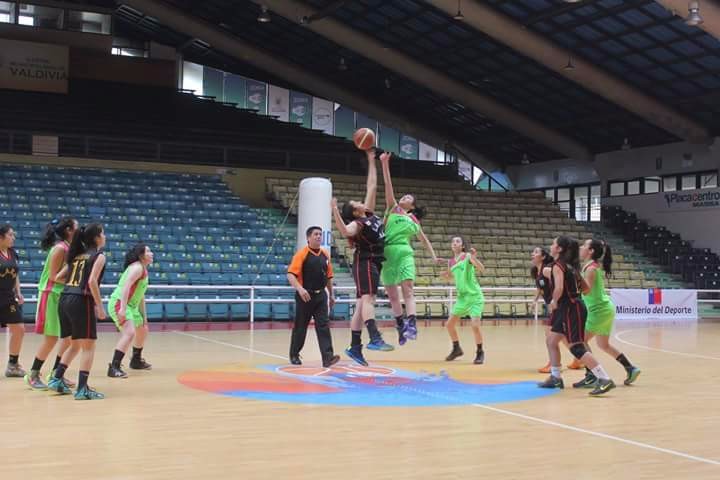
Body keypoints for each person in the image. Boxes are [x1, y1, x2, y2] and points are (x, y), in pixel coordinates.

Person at [332, 149, 393, 366]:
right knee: (368, 299)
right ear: (355, 211)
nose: (360, 201)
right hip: (365, 261)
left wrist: (371, 160)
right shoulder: (357, 224)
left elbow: (372, 185)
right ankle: (374, 338)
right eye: (356, 203)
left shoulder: (368, 215)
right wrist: (335, 211)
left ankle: (355, 346)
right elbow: (346, 232)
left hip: (374, 261)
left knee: (360, 303)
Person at [538, 236, 615, 396]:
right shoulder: (570, 267)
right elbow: (586, 289)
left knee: (576, 347)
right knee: (551, 341)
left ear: (559, 249)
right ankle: (556, 377)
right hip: (569, 306)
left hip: (570, 308)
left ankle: (604, 378)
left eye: (553, 243)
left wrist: (554, 300)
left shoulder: (559, 266)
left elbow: (558, 287)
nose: (551, 246)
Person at [379, 151, 439, 345]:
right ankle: (400, 325)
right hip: (387, 252)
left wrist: (434, 256)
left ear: (412, 207)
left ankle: (412, 323)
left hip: (404, 253)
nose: (403, 197)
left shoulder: (413, 220)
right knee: (393, 295)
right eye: (403, 196)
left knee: (408, 290)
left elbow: (424, 240)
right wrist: (385, 163)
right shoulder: (393, 208)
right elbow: (388, 185)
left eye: (408, 197)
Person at [48, 223, 107, 400]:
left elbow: (58, 277)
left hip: (65, 298)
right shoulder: (98, 256)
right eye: (103, 233)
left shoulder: (76, 256)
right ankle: (82, 389)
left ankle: (56, 378)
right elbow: (92, 282)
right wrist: (100, 306)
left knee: (74, 344)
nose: (105, 236)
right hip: (81, 300)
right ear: (96, 238)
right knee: (89, 346)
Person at [574, 239, 641, 388]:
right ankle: (630, 368)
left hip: (599, 310)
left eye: (584, 245)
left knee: (579, 341)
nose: (581, 247)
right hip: (604, 309)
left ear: (590, 251)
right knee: (603, 345)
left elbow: (587, 289)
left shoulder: (591, 268)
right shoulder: (591, 266)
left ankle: (591, 374)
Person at [25, 217, 78, 390]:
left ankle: (57, 374)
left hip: (62, 295)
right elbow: (54, 277)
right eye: (77, 226)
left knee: (68, 338)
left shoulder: (70, 248)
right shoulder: (59, 249)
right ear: (69, 230)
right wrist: (71, 271)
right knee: (51, 338)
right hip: (50, 295)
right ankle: (33, 374)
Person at [287, 226, 340, 368]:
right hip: (305, 296)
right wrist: (300, 289)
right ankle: (294, 354)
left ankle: (327, 358)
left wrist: (331, 295)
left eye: (320, 234)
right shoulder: (302, 254)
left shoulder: (325, 254)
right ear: (308, 238)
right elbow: (290, 275)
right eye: (315, 234)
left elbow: (329, 277)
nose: (318, 237)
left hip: (321, 295)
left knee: (323, 326)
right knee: (301, 326)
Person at [107, 243, 154, 378]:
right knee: (129, 333)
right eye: (148, 251)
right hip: (120, 303)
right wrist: (122, 309)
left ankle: (136, 360)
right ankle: (114, 367)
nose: (152, 254)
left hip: (131, 306)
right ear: (141, 256)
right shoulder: (137, 268)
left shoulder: (143, 269)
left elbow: (141, 295)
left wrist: (144, 316)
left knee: (143, 329)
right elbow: (126, 286)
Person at [443, 236, 485, 364]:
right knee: (449, 325)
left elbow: (482, 269)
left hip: (474, 296)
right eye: (453, 242)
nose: (454, 243)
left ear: (462, 246)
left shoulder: (467, 256)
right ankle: (456, 349)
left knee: (475, 326)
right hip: (462, 298)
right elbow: (450, 277)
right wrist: (445, 276)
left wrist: (474, 258)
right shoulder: (450, 262)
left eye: (457, 241)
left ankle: (480, 352)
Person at [0, 224, 25, 378]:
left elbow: (15, 275)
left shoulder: (12, 253)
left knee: (19, 329)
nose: (13, 238)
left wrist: (19, 292)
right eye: (10, 235)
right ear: (1, 237)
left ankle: (13, 365)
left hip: (8, 297)